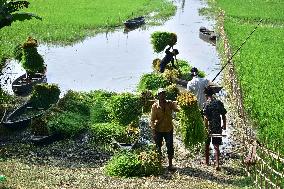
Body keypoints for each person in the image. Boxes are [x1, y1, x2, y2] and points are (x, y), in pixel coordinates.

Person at [150, 88, 179, 171]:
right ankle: (159, 163)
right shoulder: (155, 106)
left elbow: (177, 109)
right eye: (161, 94)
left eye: (164, 94)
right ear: (158, 96)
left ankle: (170, 165)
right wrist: (153, 132)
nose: (162, 95)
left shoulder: (169, 103)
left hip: (168, 129)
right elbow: (152, 120)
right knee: (158, 147)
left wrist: (184, 105)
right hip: (158, 130)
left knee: (170, 146)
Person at [203, 86, 227, 171]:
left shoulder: (206, 104)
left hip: (209, 126)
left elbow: (205, 118)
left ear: (205, 95)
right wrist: (224, 125)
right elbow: (223, 114)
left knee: (207, 145)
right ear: (213, 94)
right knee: (216, 145)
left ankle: (207, 162)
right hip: (217, 126)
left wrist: (205, 128)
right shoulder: (218, 102)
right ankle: (217, 164)